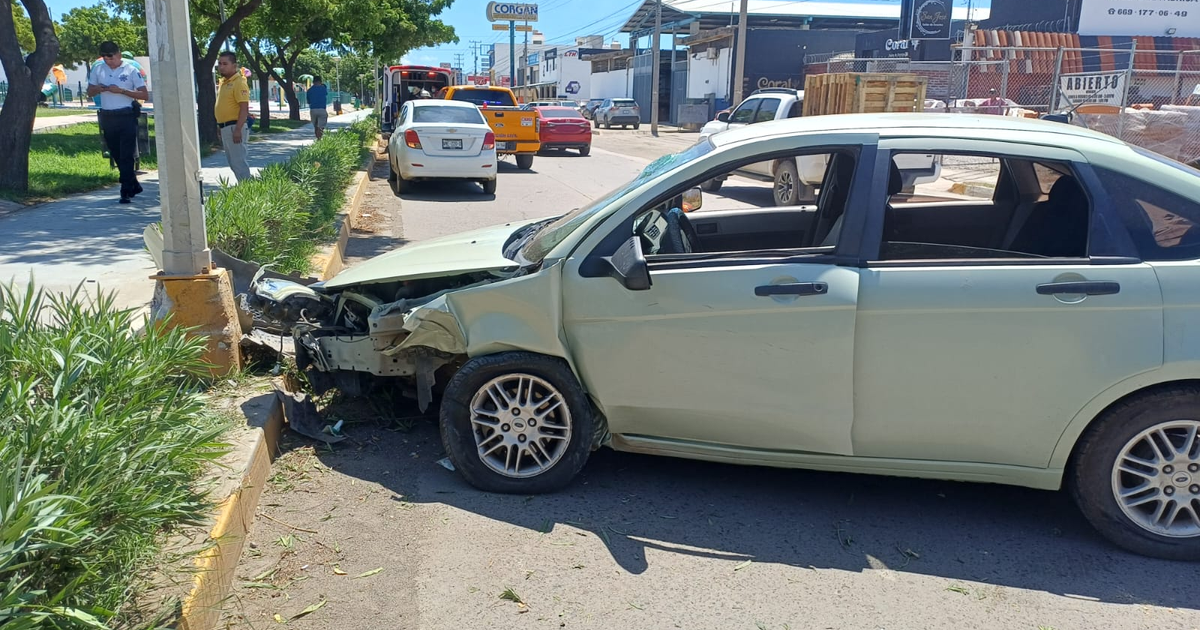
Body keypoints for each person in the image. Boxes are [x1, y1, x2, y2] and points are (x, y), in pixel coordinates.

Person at [87, 41, 148, 204]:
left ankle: (125, 191)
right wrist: (98, 88)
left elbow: (144, 95)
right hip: (107, 116)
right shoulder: (98, 70)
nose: (108, 60)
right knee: (116, 153)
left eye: (111, 57)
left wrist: (121, 91)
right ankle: (133, 183)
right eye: (105, 57)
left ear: (118, 54)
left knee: (127, 154)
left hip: (126, 115)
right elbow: (89, 91)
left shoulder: (130, 70)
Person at [214, 51, 253, 182]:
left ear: (234, 65)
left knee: (239, 163)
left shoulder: (239, 82)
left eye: (225, 63)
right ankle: (246, 190)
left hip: (235, 127)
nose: (221, 66)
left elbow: (244, 108)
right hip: (226, 127)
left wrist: (237, 129)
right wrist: (220, 126)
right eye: (220, 63)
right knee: (233, 163)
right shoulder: (224, 82)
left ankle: (249, 192)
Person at [308, 75, 329, 139]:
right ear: (320, 81)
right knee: (320, 127)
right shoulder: (323, 88)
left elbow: (308, 101)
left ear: (313, 82)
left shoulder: (309, 90)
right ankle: (319, 140)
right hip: (322, 109)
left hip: (313, 109)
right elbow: (325, 93)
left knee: (316, 127)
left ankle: (317, 138)